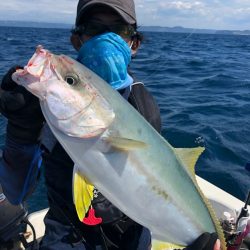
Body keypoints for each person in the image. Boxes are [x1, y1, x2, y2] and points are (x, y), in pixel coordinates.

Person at [0, 0, 221, 249]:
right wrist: (21, 128)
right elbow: (15, 192)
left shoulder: (143, 102)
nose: (105, 38)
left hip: (135, 239)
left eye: (119, 30)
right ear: (77, 40)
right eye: (93, 28)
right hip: (66, 238)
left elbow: (159, 177)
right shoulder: (48, 104)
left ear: (134, 43)